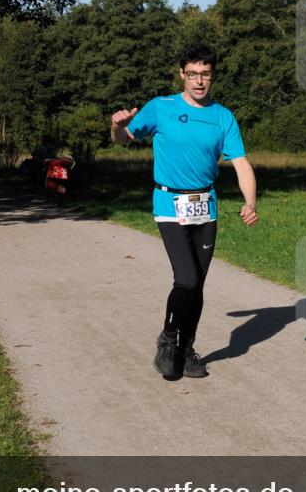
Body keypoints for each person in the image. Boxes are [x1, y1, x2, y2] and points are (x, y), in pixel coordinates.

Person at [110, 44, 258, 379]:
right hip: (169, 204)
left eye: (205, 74)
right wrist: (117, 126)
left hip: (205, 207)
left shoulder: (223, 117)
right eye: (192, 74)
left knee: (197, 285)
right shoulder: (160, 108)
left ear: (212, 75)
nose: (199, 81)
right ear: (182, 75)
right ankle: (168, 339)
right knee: (187, 279)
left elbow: (241, 164)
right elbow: (123, 139)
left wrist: (250, 202)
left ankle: (186, 347)